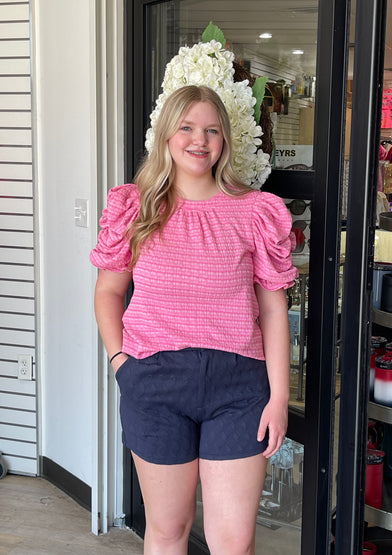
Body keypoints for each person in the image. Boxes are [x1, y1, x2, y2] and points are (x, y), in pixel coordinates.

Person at [90, 84, 298, 555]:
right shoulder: (136, 207)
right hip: (155, 385)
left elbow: (272, 309)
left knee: (233, 543)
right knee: (166, 533)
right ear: (167, 135)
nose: (198, 140)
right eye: (186, 127)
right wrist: (121, 361)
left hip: (239, 390)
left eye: (211, 130)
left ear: (225, 140)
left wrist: (279, 397)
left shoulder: (254, 212)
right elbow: (108, 292)